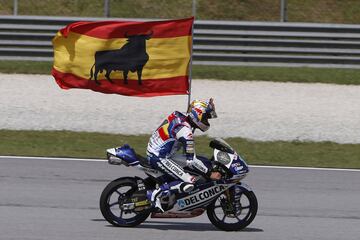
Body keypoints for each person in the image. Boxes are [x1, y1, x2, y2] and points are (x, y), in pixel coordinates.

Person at [146, 98, 222, 212]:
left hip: (160, 152)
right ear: (198, 114)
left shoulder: (179, 115)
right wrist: (209, 173)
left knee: (202, 161)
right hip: (158, 157)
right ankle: (155, 194)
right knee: (190, 181)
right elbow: (191, 161)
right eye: (206, 117)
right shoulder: (186, 131)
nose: (207, 121)